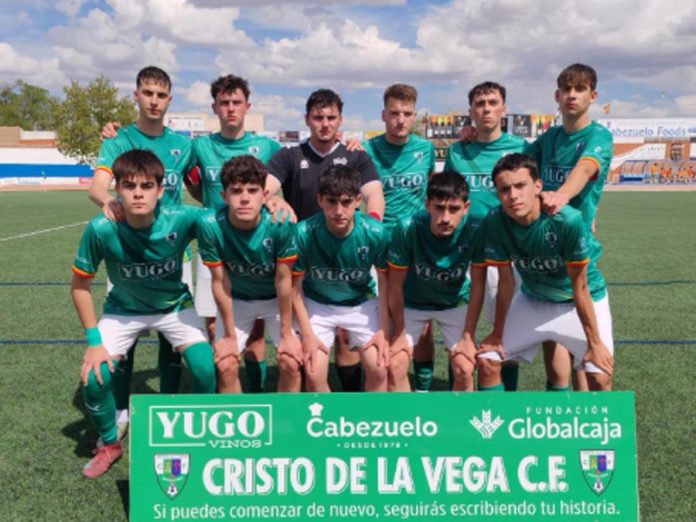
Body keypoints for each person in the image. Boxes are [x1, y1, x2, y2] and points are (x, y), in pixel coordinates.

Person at [73, 150, 215, 479]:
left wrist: (270, 202)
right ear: (117, 189)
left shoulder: (182, 218)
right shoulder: (101, 228)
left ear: (160, 190)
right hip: (122, 311)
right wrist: (94, 341)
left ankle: (192, 429)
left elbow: (227, 217)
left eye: (147, 186)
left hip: (174, 307)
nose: (138, 193)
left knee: (206, 369)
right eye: (129, 185)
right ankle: (110, 444)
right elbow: (80, 286)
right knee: (94, 378)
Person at [88, 66, 196, 441]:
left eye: (161, 95)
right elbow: (98, 187)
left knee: (172, 336)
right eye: (147, 93)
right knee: (125, 332)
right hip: (127, 255)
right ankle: (121, 410)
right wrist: (110, 203)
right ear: (136, 95)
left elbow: (203, 187)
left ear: (170, 99)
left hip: (172, 255)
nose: (154, 100)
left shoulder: (184, 145)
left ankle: (168, 407)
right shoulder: (118, 139)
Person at [266, 88, 385, 392]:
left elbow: (373, 193)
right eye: (318, 117)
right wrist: (274, 200)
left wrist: (368, 225)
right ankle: (321, 407)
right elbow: (265, 188)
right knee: (313, 352)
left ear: (340, 119)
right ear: (307, 119)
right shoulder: (290, 155)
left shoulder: (355, 155)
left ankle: (350, 397)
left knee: (347, 339)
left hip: (348, 247)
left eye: (331, 117)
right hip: (306, 254)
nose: (325, 123)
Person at [473, 153, 613, 392]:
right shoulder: (495, 220)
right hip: (534, 298)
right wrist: (497, 333)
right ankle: (497, 417)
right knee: (488, 360)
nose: (513, 195)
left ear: (538, 186)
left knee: (600, 376)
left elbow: (580, 287)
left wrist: (595, 343)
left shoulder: (566, 221)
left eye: (520, 185)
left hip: (579, 300)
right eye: (504, 189)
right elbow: (506, 282)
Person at [190, 74, 282, 393]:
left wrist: (279, 201)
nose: (231, 108)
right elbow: (171, 168)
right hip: (215, 245)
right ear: (214, 107)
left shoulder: (267, 146)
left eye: (237, 102)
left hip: (253, 246)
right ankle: (227, 395)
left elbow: (289, 175)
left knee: (256, 331)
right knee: (214, 327)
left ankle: (256, 395)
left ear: (247, 106)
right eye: (224, 102)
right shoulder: (200, 146)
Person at [527, 63, 613, 391]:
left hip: (578, 248)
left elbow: (585, 169)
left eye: (580, 89)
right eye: (566, 89)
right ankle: (562, 416)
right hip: (543, 251)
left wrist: (560, 195)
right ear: (557, 95)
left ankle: (596, 419)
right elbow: (518, 162)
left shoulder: (599, 136)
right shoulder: (549, 138)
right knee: (556, 358)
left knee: (596, 370)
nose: (572, 95)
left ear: (593, 95)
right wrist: (474, 135)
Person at [445, 81, 527, 391]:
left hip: (504, 253)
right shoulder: (458, 150)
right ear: (471, 111)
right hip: (461, 250)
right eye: (480, 104)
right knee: (456, 333)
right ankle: (457, 396)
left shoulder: (522, 148)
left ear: (504, 109)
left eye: (493, 103)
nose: (486, 109)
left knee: (505, 330)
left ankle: (506, 400)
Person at [197, 155, 301, 392]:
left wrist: (286, 333)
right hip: (238, 299)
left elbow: (284, 280)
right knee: (225, 364)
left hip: (276, 300)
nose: (244, 198)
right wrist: (229, 336)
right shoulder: (209, 224)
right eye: (236, 191)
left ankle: (286, 416)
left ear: (265, 195)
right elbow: (220, 282)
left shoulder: (281, 223)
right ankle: (237, 416)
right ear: (224, 196)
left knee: (292, 362)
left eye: (252, 190)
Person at [363, 83, 437, 392]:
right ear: (383, 115)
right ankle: (380, 375)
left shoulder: (426, 149)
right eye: (394, 113)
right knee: (382, 315)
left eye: (407, 113)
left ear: (414, 115)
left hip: (417, 244)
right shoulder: (366, 150)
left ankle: (422, 387)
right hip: (379, 243)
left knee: (422, 321)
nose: (400, 120)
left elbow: (432, 189)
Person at [292, 165, 390, 392]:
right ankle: (327, 416)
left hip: (362, 303)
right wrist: (307, 334)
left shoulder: (376, 232)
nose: (338, 210)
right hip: (317, 305)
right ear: (320, 200)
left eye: (346, 202)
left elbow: (386, 285)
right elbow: (294, 289)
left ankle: (372, 414)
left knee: (379, 368)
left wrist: (383, 331)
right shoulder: (303, 233)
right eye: (331, 201)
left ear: (358, 201)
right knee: (313, 372)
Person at [387, 171, 484, 391]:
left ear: (466, 207)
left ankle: (460, 415)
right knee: (395, 365)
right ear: (427, 205)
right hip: (412, 303)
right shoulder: (407, 228)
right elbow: (394, 285)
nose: (446, 218)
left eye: (454, 209)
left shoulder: (476, 228)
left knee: (465, 368)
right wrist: (399, 332)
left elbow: (479, 285)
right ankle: (410, 414)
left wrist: (468, 336)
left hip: (455, 303)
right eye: (439, 208)